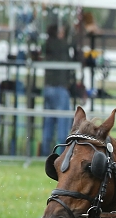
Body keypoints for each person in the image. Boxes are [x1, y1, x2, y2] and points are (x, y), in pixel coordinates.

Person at [41, 24, 73, 156]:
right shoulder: (63, 45)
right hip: (60, 89)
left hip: (48, 88)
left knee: (48, 122)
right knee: (62, 123)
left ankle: (45, 153)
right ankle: (62, 154)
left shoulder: (47, 45)